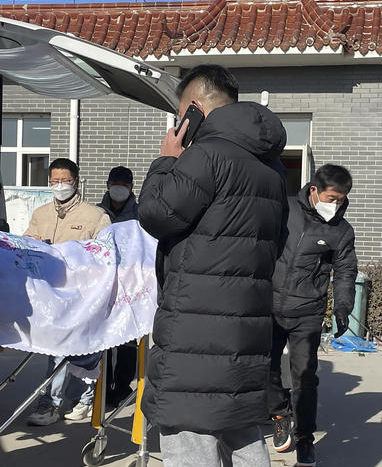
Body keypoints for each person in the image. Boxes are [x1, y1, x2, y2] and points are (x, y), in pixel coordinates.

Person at [137, 64, 288, 466]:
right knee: (240, 431)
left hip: (195, 330)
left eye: (180, 110)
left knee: (189, 430)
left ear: (195, 109)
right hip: (247, 328)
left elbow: (155, 214)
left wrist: (165, 161)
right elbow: (279, 241)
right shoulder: (272, 168)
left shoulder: (205, 154)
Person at [268, 164, 357, 466]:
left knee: (305, 376)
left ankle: (305, 438)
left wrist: (343, 307)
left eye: (342, 200)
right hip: (269, 304)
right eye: (332, 198)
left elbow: (345, 271)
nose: (336, 205)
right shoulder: (285, 209)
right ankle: (280, 415)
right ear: (315, 190)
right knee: (265, 367)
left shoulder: (341, 231)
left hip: (307, 309)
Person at [25, 158, 111, 426]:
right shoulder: (40, 214)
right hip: (49, 294)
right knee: (57, 349)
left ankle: (65, 402)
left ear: (76, 181)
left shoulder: (95, 216)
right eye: (55, 181)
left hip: (81, 295)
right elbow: (26, 242)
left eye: (65, 181)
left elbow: (107, 255)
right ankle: (59, 402)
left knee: (80, 351)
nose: (59, 186)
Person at [98, 166, 139, 407]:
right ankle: (103, 385)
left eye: (124, 185)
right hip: (103, 282)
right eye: (115, 183)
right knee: (104, 339)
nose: (119, 189)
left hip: (130, 283)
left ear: (131, 187)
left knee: (127, 340)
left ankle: (122, 387)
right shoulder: (98, 213)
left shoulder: (140, 214)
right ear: (107, 184)